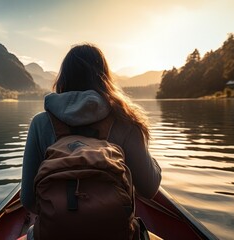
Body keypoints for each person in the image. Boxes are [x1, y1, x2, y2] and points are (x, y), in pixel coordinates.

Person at [20, 43, 162, 238]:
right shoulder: (127, 122)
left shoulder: (40, 123)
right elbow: (150, 188)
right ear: (105, 78)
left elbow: (28, 200)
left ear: (63, 78)